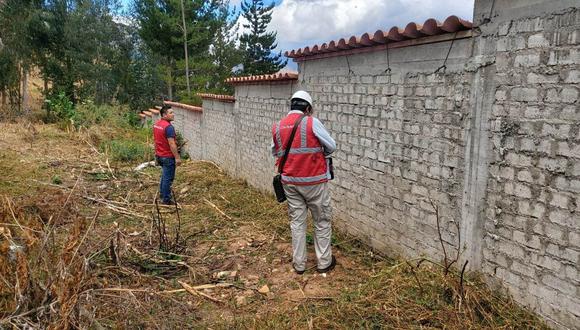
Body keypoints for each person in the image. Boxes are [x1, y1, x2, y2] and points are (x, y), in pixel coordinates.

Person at [271, 90, 337, 274]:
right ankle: (324, 262)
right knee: (322, 220)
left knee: (297, 223)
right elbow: (331, 146)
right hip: (314, 182)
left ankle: (299, 265)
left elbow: (275, 152)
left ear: (291, 106)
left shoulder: (277, 126)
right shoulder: (311, 122)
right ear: (308, 108)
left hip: (290, 182)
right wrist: (317, 153)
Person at [153, 105, 181, 205]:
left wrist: (156, 153)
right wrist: (177, 158)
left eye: (173, 112)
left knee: (164, 176)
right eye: (171, 113)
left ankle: (162, 195)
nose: (173, 114)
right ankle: (166, 199)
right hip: (167, 156)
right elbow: (172, 144)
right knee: (168, 178)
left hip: (159, 155)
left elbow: (156, 141)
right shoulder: (169, 127)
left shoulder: (157, 124)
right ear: (164, 115)